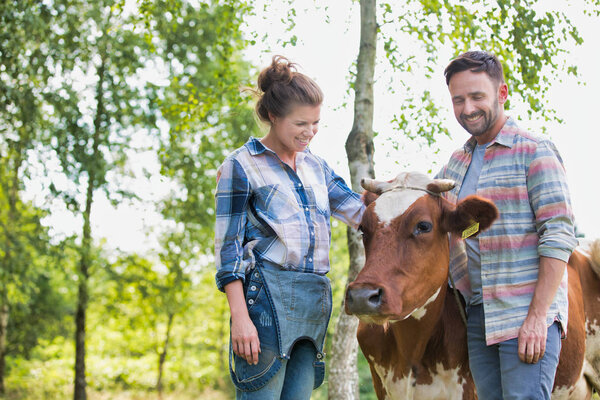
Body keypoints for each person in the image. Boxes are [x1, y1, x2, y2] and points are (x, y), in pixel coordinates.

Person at [214, 55, 365, 399]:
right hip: (264, 305)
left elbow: (360, 211)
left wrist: (403, 191)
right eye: (300, 123)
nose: (309, 133)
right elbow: (228, 250)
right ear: (272, 116)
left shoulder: (317, 167)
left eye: (315, 123)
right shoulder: (241, 165)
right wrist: (240, 318)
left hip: (312, 302)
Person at [436, 51, 577, 399]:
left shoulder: (535, 151)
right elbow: (444, 221)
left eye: (477, 97)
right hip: (479, 315)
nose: (467, 108)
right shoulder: (456, 163)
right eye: (458, 100)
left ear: (502, 93)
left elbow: (558, 235)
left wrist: (537, 318)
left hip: (524, 314)